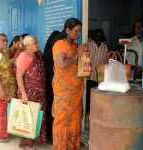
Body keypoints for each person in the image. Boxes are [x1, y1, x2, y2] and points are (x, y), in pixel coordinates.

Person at [52, 18, 88, 150]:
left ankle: (72, 146)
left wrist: (83, 52)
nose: (78, 34)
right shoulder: (60, 45)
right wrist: (77, 56)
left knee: (75, 120)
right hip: (64, 92)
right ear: (67, 30)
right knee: (62, 121)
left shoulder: (74, 45)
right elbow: (61, 65)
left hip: (75, 91)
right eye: (76, 31)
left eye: (80, 31)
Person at [16, 35, 47, 150]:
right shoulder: (23, 57)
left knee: (38, 116)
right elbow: (19, 76)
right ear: (27, 45)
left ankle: (36, 139)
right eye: (35, 43)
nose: (37, 45)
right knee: (27, 117)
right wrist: (23, 94)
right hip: (29, 92)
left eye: (37, 43)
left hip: (39, 91)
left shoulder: (37, 55)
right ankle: (26, 144)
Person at [0, 33, 17, 143]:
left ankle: (3, 132)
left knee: (5, 113)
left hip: (8, 89)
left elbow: (4, 67)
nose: (5, 43)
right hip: (1, 89)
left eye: (6, 40)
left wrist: (12, 61)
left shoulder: (2, 54)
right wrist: (1, 89)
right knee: (0, 113)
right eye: (3, 40)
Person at [43, 30, 62, 144]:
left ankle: (51, 135)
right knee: (51, 109)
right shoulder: (51, 51)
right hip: (51, 84)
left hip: (51, 84)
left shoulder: (49, 50)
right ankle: (50, 136)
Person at [86, 29, 108, 116]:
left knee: (98, 97)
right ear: (94, 36)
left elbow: (105, 61)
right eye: (97, 35)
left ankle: (96, 114)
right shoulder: (89, 45)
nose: (98, 38)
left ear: (102, 37)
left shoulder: (105, 47)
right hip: (90, 76)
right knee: (89, 97)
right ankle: (88, 115)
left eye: (100, 36)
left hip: (100, 77)